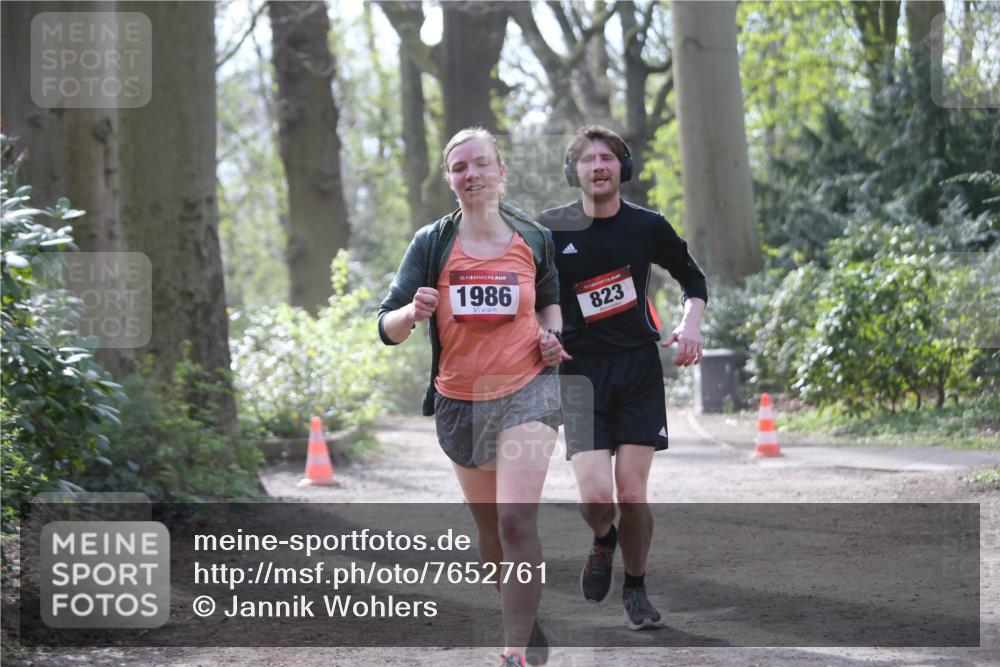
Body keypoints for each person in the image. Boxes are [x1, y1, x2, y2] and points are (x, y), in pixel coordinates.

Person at [378, 128, 566, 667]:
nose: (473, 175)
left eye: (482, 164)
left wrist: (554, 339)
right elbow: (386, 327)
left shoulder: (533, 236)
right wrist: (412, 313)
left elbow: (550, 304)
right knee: (489, 535)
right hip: (460, 399)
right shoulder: (432, 243)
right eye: (461, 168)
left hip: (529, 390)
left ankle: (513, 651)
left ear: (501, 171)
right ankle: (521, 619)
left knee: (514, 521)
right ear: (450, 179)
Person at [538, 125, 707, 630]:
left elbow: (691, 277)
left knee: (631, 495)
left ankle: (635, 587)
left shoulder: (647, 225)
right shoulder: (550, 230)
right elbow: (530, 293)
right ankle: (603, 540)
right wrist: (540, 335)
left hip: (636, 370)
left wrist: (690, 322)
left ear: (622, 168)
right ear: (575, 171)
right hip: (579, 375)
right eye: (587, 159)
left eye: (607, 157)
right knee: (595, 498)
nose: (598, 166)